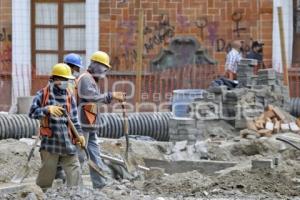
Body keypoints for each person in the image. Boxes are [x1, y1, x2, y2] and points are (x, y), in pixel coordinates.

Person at [29, 63, 86, 191]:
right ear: (56, 79)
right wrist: (46, 109)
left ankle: (74, 193)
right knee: (47, 173)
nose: (68, 82)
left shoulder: (69, 96)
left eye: (68, 80)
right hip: (50, 143)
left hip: (67, 142)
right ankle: (41, 194)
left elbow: (75, 120)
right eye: (65, 80)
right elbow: (32, 113)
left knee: (74, 168)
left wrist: (80, 134)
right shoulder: (42, 94)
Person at [76, 51, 125, 189]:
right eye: (103, 68)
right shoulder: (85, 79)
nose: (104, 72)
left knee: (95, 155)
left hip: (90, 125)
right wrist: (112, 95)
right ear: (94, 65)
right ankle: (72, 187)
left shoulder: (92, 80)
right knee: (79, 156)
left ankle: (100, 184)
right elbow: (91, 98)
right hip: (81, 125)